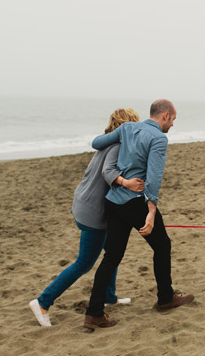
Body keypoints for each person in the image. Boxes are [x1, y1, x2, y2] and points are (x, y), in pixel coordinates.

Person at [83, 99, 194, 329]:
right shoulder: (158, 138)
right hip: (136, 203)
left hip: (114, 201)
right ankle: (165, 298)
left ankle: (93, 313)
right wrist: (151, 212)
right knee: (162, 246)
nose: (173, 124)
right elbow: (154, 177)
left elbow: (96, 142)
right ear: (164, 116)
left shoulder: (127, 128)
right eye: (173, 119)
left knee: (112, 256)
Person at [29, 108, 144, 327]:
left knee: (112, 250)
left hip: (85, 203)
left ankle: (109, 297)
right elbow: (107, 174)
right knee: (84, 262)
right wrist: (127, 183)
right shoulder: (117, 146)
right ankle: (43, 302)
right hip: (93, 211)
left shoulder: (105, 143)